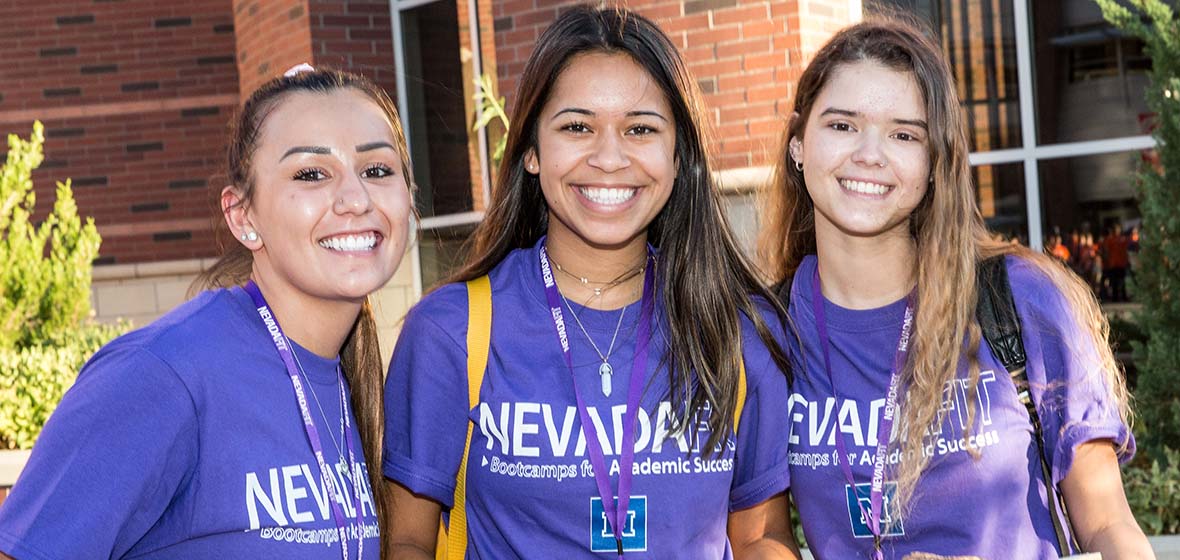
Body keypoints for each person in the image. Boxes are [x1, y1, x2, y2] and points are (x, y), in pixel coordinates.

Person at [383, 6, 797, 559]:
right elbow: (407, 541)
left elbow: (760, 536)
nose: (609, 157)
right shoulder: (451, 332)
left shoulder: (740, 330)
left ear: (679, 156)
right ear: (530, 151)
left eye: (641, 129)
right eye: (577, 126)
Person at [759, 18, 1152, 559]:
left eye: (904, 134)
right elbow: (762, 537)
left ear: (934, 162)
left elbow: (1108, 525)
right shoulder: (765, 330)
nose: (870, 154)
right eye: (842, 125)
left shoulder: (1021, 300)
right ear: (800, 142)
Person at [0, 67, 413, 559]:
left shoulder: (346, 377)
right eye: (311, 174)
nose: (355, 199)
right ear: (243, 216)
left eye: (377, 170)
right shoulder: (160, 375)